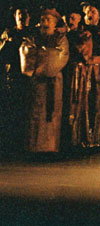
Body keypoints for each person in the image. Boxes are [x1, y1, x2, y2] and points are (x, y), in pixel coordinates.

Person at [20, 9, 69, 153]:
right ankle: (34, 147)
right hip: (36, 81)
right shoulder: (33, 37)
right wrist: (45, 54)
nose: (45, 23)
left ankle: (50, 147)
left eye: (49, 20)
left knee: (52, 113)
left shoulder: (60, 38)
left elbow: (59, 56)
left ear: (55, 24)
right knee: (35, 112)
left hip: (53, 81)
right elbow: (26, 50)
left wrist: (40, 55)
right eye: (43, 20)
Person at [64, 3, 100, 149]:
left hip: (97, 71)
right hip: (82, 72)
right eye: (87, 12)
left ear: (98, 15)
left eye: (93, 11)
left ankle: (95, 138)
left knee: (96, 103)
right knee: (81, 103)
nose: (89, 14)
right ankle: (80, 138)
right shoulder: (79, 32)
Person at [0, 6, 33, 154]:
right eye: (20, 14)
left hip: (28, 78)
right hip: (12, 76)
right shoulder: (8, 33)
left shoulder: (32, 33)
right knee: (11, 109)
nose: (22, 17)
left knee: (27, 110)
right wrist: (8, 42)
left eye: (25, 14)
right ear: (15, 16)